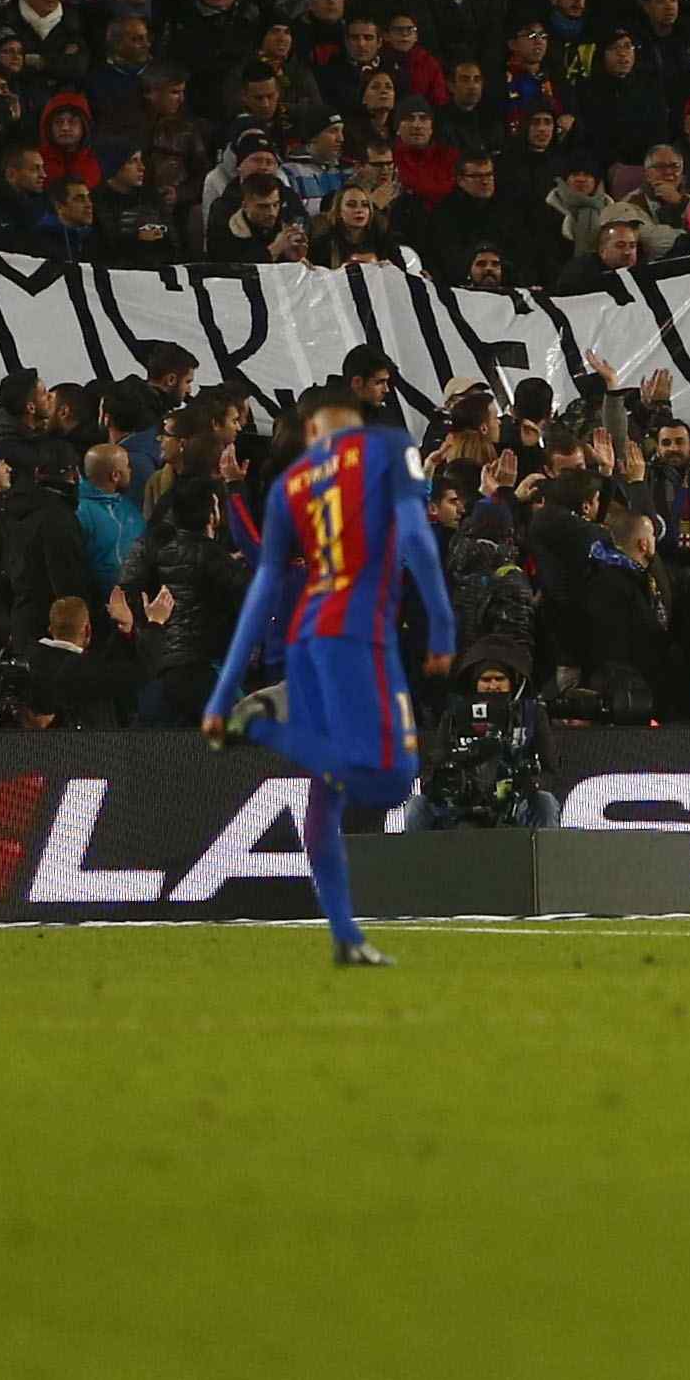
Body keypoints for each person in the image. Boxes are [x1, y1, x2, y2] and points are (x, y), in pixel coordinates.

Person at [204, 384, 462, 969]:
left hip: (308, 635)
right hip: (357, 634)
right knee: (394, 779)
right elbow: (416, 538)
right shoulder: (388, 449)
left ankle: (344, 932)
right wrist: (443, 625)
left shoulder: (292, 484)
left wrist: (223, 691)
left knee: (328, 793)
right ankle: (266, 724)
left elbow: (263, 585)